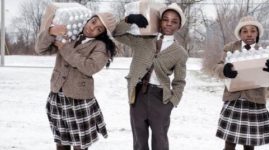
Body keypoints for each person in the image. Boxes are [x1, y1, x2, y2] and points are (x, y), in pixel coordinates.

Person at [35, 12, 117, 150]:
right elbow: (40, 49)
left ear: (102, 34)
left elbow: (89, 67)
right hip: (57, 96)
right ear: (89, 19)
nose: (92, 28)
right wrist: (51, 31)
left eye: (99, 29)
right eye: (94, 22)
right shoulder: (70, 34)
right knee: (61, 143)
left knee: (79, 146)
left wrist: (65, 48)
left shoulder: (101, 46)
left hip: (79, 100)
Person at [113, 3, 188, 150]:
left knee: (160, 141)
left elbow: (179, 82)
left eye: (174, 21)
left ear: (179, 26)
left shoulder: (180, 53)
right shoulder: (143, 39)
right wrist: (129, 20)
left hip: (160, 98)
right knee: (139, 140)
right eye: (166, 19)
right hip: (138, 95)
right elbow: (117, 34)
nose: (169, 24)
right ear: (160, 21)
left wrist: (171, 103)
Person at [213, 16, 269, 150]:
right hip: (233, 100)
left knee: (249, 145)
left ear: (258, 33)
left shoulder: (265, 52)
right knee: (229, 144)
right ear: (240, 34)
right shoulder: (230, 48)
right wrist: (224, 70)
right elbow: (217, 68)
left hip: (254, 102)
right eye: (245, 31)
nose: (249, 34)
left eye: (253, 31)